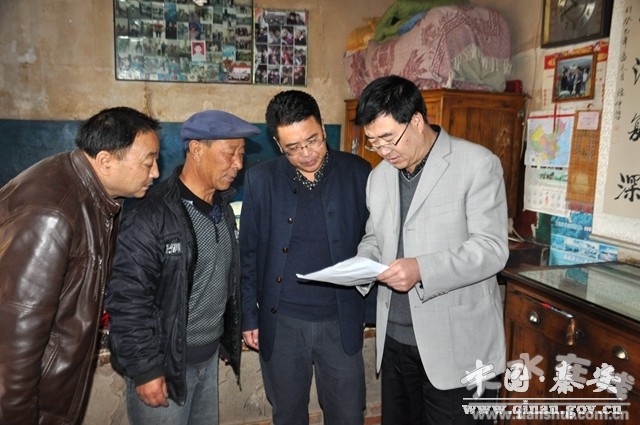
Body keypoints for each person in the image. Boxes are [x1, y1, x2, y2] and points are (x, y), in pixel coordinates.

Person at [353, 75, 509, 425]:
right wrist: (363, 263)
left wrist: (422, 269)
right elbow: (375, 237)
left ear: (417, 121)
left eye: (389, 139)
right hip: (395, 342)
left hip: (458, 345)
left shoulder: (476, 164)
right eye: (373, 142)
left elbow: (492, 249)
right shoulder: (379, 177)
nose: (383, 151)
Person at [0, 106, 161, 425]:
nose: (156, 172)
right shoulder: (52, 215)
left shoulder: (92, 196)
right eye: (148, 162)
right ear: (105, 160)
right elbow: (14, 346)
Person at [105, 110, 259, 425]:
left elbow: (225, 280)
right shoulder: (151, 214)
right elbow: (127, 299)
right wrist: (145, 370)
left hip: (208, 360)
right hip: (164, 366)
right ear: (196, 149)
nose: (238, 164)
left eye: (242, 154)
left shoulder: (222, 209)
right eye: (229, 153)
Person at [240, 90, 375, 425]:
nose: (306, 153)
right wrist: (248, 317)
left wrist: (370, 309)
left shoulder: (358, 173)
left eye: (312, 140)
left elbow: (374, 241)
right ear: (277, 144)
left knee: (348, 414)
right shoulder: (261, 180)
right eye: (293, 148)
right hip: (282, 323)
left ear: (323, 128)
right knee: (287, 415)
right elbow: (248, 253)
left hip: (340, 320)